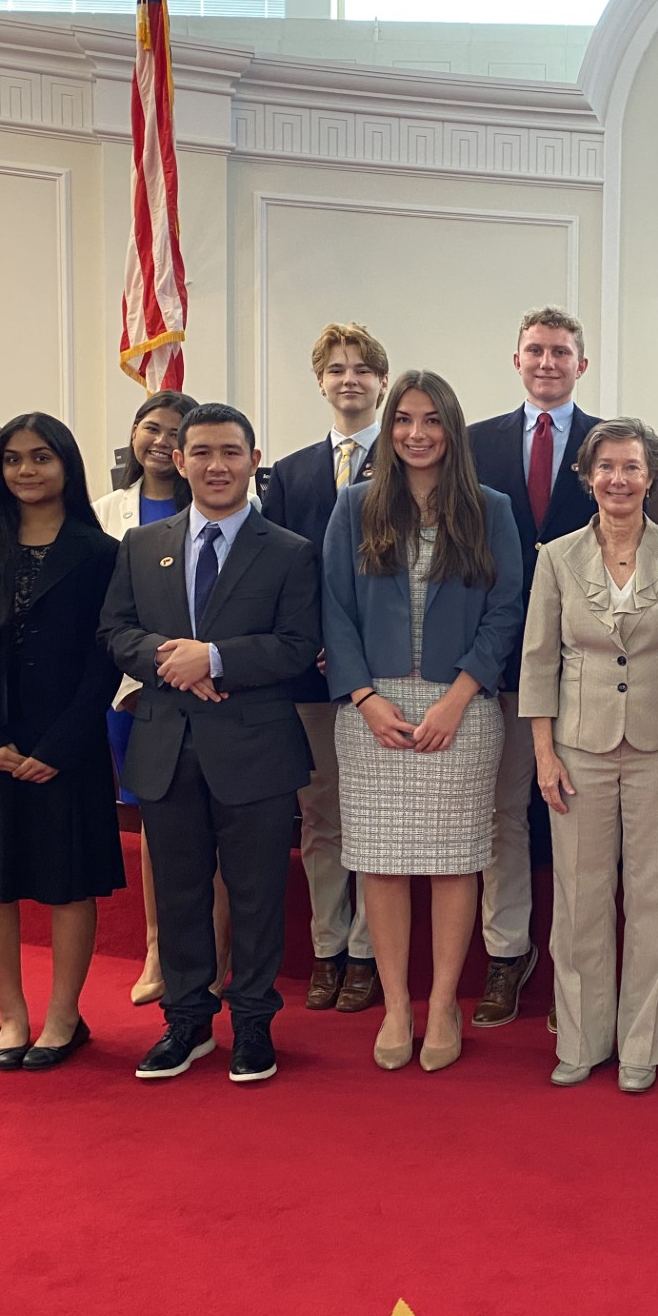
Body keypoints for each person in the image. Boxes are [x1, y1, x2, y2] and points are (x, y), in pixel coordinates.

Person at [101, 403, 322, 1084]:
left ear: (254, 461)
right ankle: (187, 1022)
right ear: (179, 459)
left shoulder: (289, 550)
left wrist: (216, 659)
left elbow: (298, 645)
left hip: (255, 749)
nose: (216, 465)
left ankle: (254, 1023)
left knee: (257, 895)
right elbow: (115, 629)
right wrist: (174, 661)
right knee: (180, 893)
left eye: (231, 452)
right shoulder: (143, 545)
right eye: (201, 452)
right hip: (167, 745)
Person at [323, 370, 523, 1074]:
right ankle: (396, 1005)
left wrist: (459, 694)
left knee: (452, 860)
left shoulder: (490, 508)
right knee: (379, 860)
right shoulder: (353, 508)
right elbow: (334, 610)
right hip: (371, 708)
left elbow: (507, 611)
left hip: (459, 706)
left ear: (452, 429)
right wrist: (365, 698)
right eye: (403, 418)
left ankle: (442, 1003)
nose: (415, 433)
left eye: (431, 420)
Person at [521, 419, 658, 1093]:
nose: (618, 479)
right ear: (587, 476)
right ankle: (580, 1038)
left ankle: (645, 1043)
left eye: (631, 467)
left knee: (656, 898)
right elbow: (538, 662)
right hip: (579, 747)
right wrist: (544, 754)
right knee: (579, 901)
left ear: (652, 477)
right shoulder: (555, 557)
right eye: (605, 467)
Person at [0, 413, 124, 1069]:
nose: (25, 471)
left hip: (64, 748)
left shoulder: (99, 553)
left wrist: (61, 746)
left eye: (41, 458)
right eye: (13, 460)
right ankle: (11, 1017)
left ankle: (63, 1017)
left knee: (69, 885)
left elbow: (106, 659)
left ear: (66, 465)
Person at [468, 308, 602, 1031]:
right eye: (536, 351)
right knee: (502, 815)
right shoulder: (474, 443)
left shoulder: (612, 445)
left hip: (584, 666)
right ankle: (506, 952)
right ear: (515, 360)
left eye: (561, 352)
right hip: (497, 661)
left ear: (583, 364)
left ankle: (575, 968)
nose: (547, 362)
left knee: (572, 815)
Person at [261, 323, 390, 1016]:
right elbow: (283, 573)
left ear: (381, 382)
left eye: (362, 369)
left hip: (384, 672)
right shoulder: (290, 472)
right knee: (320, 816)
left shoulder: (407, 464)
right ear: (320, 382)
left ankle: (368, 954)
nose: (349, 379)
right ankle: (329, 946)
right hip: (311, 675)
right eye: (336, 369)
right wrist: (315, 642)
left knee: (371, 816)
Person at [93, 390, 230, 1008]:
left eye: (176, 434)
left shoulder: (227, 505)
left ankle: (219, 951)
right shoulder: (107, 511)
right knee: (159, 825)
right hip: (133, 693)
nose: (161, 442)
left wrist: (198, 663)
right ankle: (158, 945)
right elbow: (110, 613)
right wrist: (165, 662)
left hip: (217, 690)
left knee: (220, 824)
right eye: (152, 429)